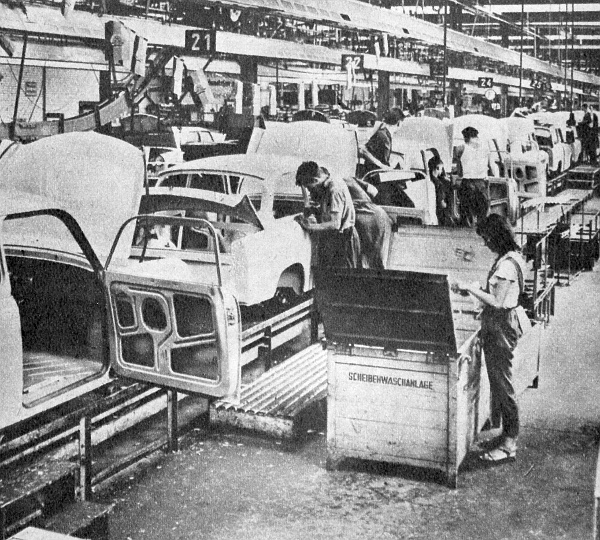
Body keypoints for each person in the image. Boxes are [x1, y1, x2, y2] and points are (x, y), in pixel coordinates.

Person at [452, 214, 528, 463]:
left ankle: (509, 444)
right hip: (500, 322)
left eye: (487, 238)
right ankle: (505, 436)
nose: (485, 243)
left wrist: (471, 288)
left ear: (497, 236)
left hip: (501, 325)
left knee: (503, 384)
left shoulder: (506, 266)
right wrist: (475, 292)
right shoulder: (512, 257)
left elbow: (497, 301)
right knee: (498, 382)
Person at [295, 161, 360, 269]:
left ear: (315, 180)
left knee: (341, 276)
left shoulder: (334, 190)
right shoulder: (326, 182)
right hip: (337, 238)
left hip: (344, 239)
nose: (310, 192)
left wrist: (310, 226)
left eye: (310, 188)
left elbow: (335, 224)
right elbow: (329, 211)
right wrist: (313, 210)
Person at [343, 176, 393, 269]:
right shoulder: (350, 178)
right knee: (379, 260)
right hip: (380, 214)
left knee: (366, 262)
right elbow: (374, 191)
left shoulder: (334, 187)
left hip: (365, 219)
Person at [457, 126, 490, 227]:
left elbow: (459, 172)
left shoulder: (461, 148)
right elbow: (491, 166)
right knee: (482, 212)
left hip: (467, 183)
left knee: (466, 212)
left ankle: (467, 228)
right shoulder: (486, 148)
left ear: (465, 137)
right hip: (481, 183)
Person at [360, 108, 404, 181]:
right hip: (374, 175)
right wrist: (381, 165)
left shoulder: (386, 135)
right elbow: (363, 150)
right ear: (399, 123)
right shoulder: (382, 135)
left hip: (379, 173)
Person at [428, 153, 456, 227]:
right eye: (441, 168)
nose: (441, 171)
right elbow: (442, 203)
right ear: (437, 168)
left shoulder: (429, 179)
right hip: (440, 212)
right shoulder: (439, 184)